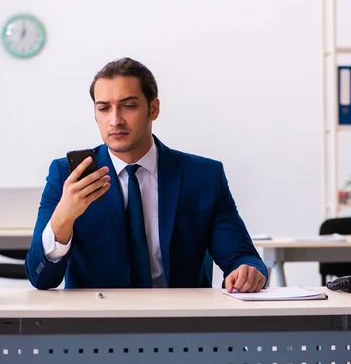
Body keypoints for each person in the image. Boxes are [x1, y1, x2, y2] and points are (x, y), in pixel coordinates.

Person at [25, 57, 268, 292]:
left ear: (153, 108)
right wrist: (63, 218)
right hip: (98, 323)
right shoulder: (67, 175)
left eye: (128, 106)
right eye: (104, 108)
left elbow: (241, 256)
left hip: (181, 322)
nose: (115, 120)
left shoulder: (203, 176)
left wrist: (246, 271)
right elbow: (41, 278)